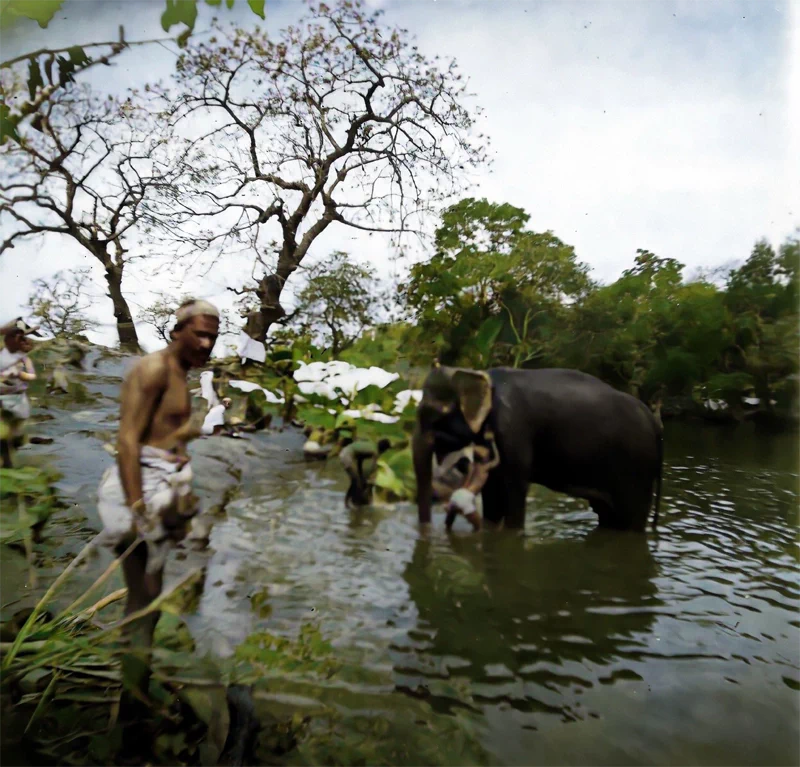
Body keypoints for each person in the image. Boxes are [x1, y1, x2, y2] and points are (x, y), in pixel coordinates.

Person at [95, 297, 219, 710]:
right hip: (139, 490)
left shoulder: (182, 374)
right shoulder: (152, 368)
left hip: (161, 484)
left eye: (213, 337)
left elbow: (160, 435)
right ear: (177, 330)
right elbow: (128, 440)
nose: (206, 344)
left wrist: (189, 432)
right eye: (199, 334)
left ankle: (136, 693)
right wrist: (137, 506)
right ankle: (131, 711)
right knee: (141, 601)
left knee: (150, 596)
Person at [0, 326, 39, 467]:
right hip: (2, 400)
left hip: (18, 399)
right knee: (3, 435)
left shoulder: (24, 359)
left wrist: (20, 375)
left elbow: (32, 375)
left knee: (15, 434)